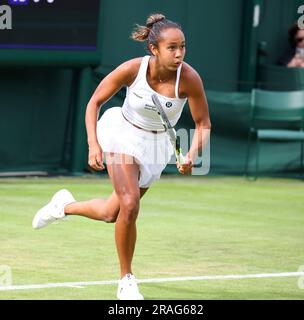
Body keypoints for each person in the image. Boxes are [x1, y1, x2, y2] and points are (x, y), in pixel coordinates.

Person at [32, 13, 211, 300]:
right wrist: (93, 143)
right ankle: (126, 280)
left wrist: (191, 155)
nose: (179, 54)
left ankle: (63, 206)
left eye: (183, 47)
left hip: (156, 148)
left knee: (111, 214)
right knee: (130, 204)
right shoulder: (132, 69)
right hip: (122, 134)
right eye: (172, 48)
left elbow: (204, 124)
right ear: (154, 49)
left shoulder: (189, 78)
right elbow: (95, 102)